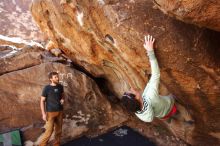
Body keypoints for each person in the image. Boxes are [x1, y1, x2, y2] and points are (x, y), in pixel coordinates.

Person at [121, 35, 177, 122]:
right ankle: (174, 111)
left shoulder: (138, 111)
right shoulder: (150, 95)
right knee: (173, 99)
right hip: (169, 106)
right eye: (131, 92)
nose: (131, 88)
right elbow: (155, 74)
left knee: (166, 116)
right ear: (137, 98)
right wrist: (150, 51)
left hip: (161, 115)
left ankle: (170, 118)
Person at [39, 72, 65, 146]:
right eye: (55, 77)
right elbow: (42, 101)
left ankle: (57, 144)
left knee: (59, 130)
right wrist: (43, 114)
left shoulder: (60, 86)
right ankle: (42, 144)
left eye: (57, 77)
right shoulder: (47, 88)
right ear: (51, 79)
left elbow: (63, 95)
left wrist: (63, 99)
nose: (57, 78)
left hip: (60, 111)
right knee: (49, 131)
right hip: (50, 113)